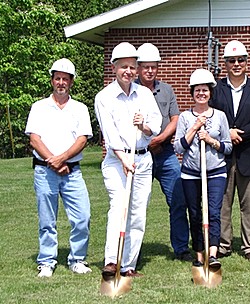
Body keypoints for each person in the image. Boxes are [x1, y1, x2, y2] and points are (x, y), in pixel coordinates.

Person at [95, 42, 162, 277]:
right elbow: (110, 134)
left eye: (132, 67)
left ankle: (129, 264)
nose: (129, 71)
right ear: (114, 67)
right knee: (118, 207)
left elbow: (156, 126)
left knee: (138, 212)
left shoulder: (144, 93)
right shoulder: (104, 97)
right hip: (117, 161)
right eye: (124, 66)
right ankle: (112, 261)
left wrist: (143, 125)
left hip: (143, 160)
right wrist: (124, 160)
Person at [25, 58, 93, 278]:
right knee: (47, 220)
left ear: (71, 82)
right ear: (52, 80)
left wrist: (62, 159)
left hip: (72, 171)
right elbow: (35, 139)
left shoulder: (80, 108)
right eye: (57, 78)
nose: (61, 83)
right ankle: (46, 261)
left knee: (82, 217)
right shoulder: (39, 107)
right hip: (45, 172)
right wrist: (53, 162)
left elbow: (83, 139)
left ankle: (77, 259)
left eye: (65, 79)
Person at [209, 40, 250, 260]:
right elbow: (210, 116)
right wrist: (228, 134)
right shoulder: (215, 89)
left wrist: (239, 132)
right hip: (222, 156)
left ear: (247, 62)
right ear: (225, 63)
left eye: (240, 60)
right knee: (222, 202)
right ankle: (223, 244)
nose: (236, 64)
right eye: (231, 60)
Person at [135, 43, 191, 261]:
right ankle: (133, 253)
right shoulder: (132, 90)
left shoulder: (166, 90)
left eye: (154, 67)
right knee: (138, 203)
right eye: (146, 67)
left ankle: (181, 248)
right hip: (141, 154)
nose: (150, 70)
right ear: (139, 68)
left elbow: (175, 118)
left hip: (166, 153)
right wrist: (150, 142)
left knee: (178, 200)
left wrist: (160, 138)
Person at [174, 68, 232, 268]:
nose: (201, 94)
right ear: (192, 93)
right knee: (196, 213)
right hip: (191, 173)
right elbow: (178, 147)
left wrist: (210, 140)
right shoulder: (184, 117)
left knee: (213, 212)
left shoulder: (220, 116)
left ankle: (213, 253)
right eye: (197, 90)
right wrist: (194, 128)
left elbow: (228, 146)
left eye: (205, 90)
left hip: (216, 172)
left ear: (210, 93)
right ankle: (199, 254)